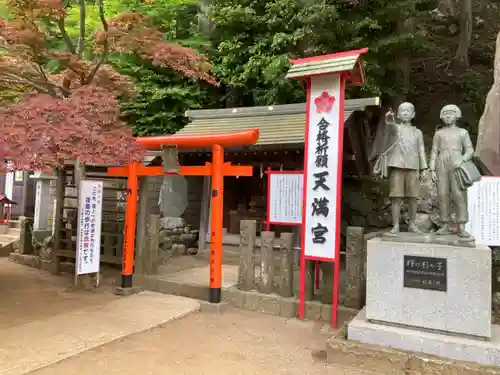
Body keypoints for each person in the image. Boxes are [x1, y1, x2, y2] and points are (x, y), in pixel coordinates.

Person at [429, 104, 474, 237]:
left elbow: (470, 149)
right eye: (446, 113)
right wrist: (432, 169)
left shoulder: (462, 132)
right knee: (442, 194)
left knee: (458, 194)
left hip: (457, 162)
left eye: (451, 113)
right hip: (441, 162)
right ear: (442, 116)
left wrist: (462, 159)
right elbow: (434, 151)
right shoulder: (439, 134)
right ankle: (445, 224)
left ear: (457, 115)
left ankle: (462, 225)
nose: (448, 116)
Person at [382, 102, 427, 234]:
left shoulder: (418, 132)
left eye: (408, 111)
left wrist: (424, 168)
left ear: (413, 114)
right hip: (397, 165)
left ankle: (412, 225)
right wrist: (389, 120)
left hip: (413, 166)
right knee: (396, 197)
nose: (405, 113)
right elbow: (391, 127)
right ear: (398, 115)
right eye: (403, 111)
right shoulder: (396, 128)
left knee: (413, 197)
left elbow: (421, 150)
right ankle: (395, 225)